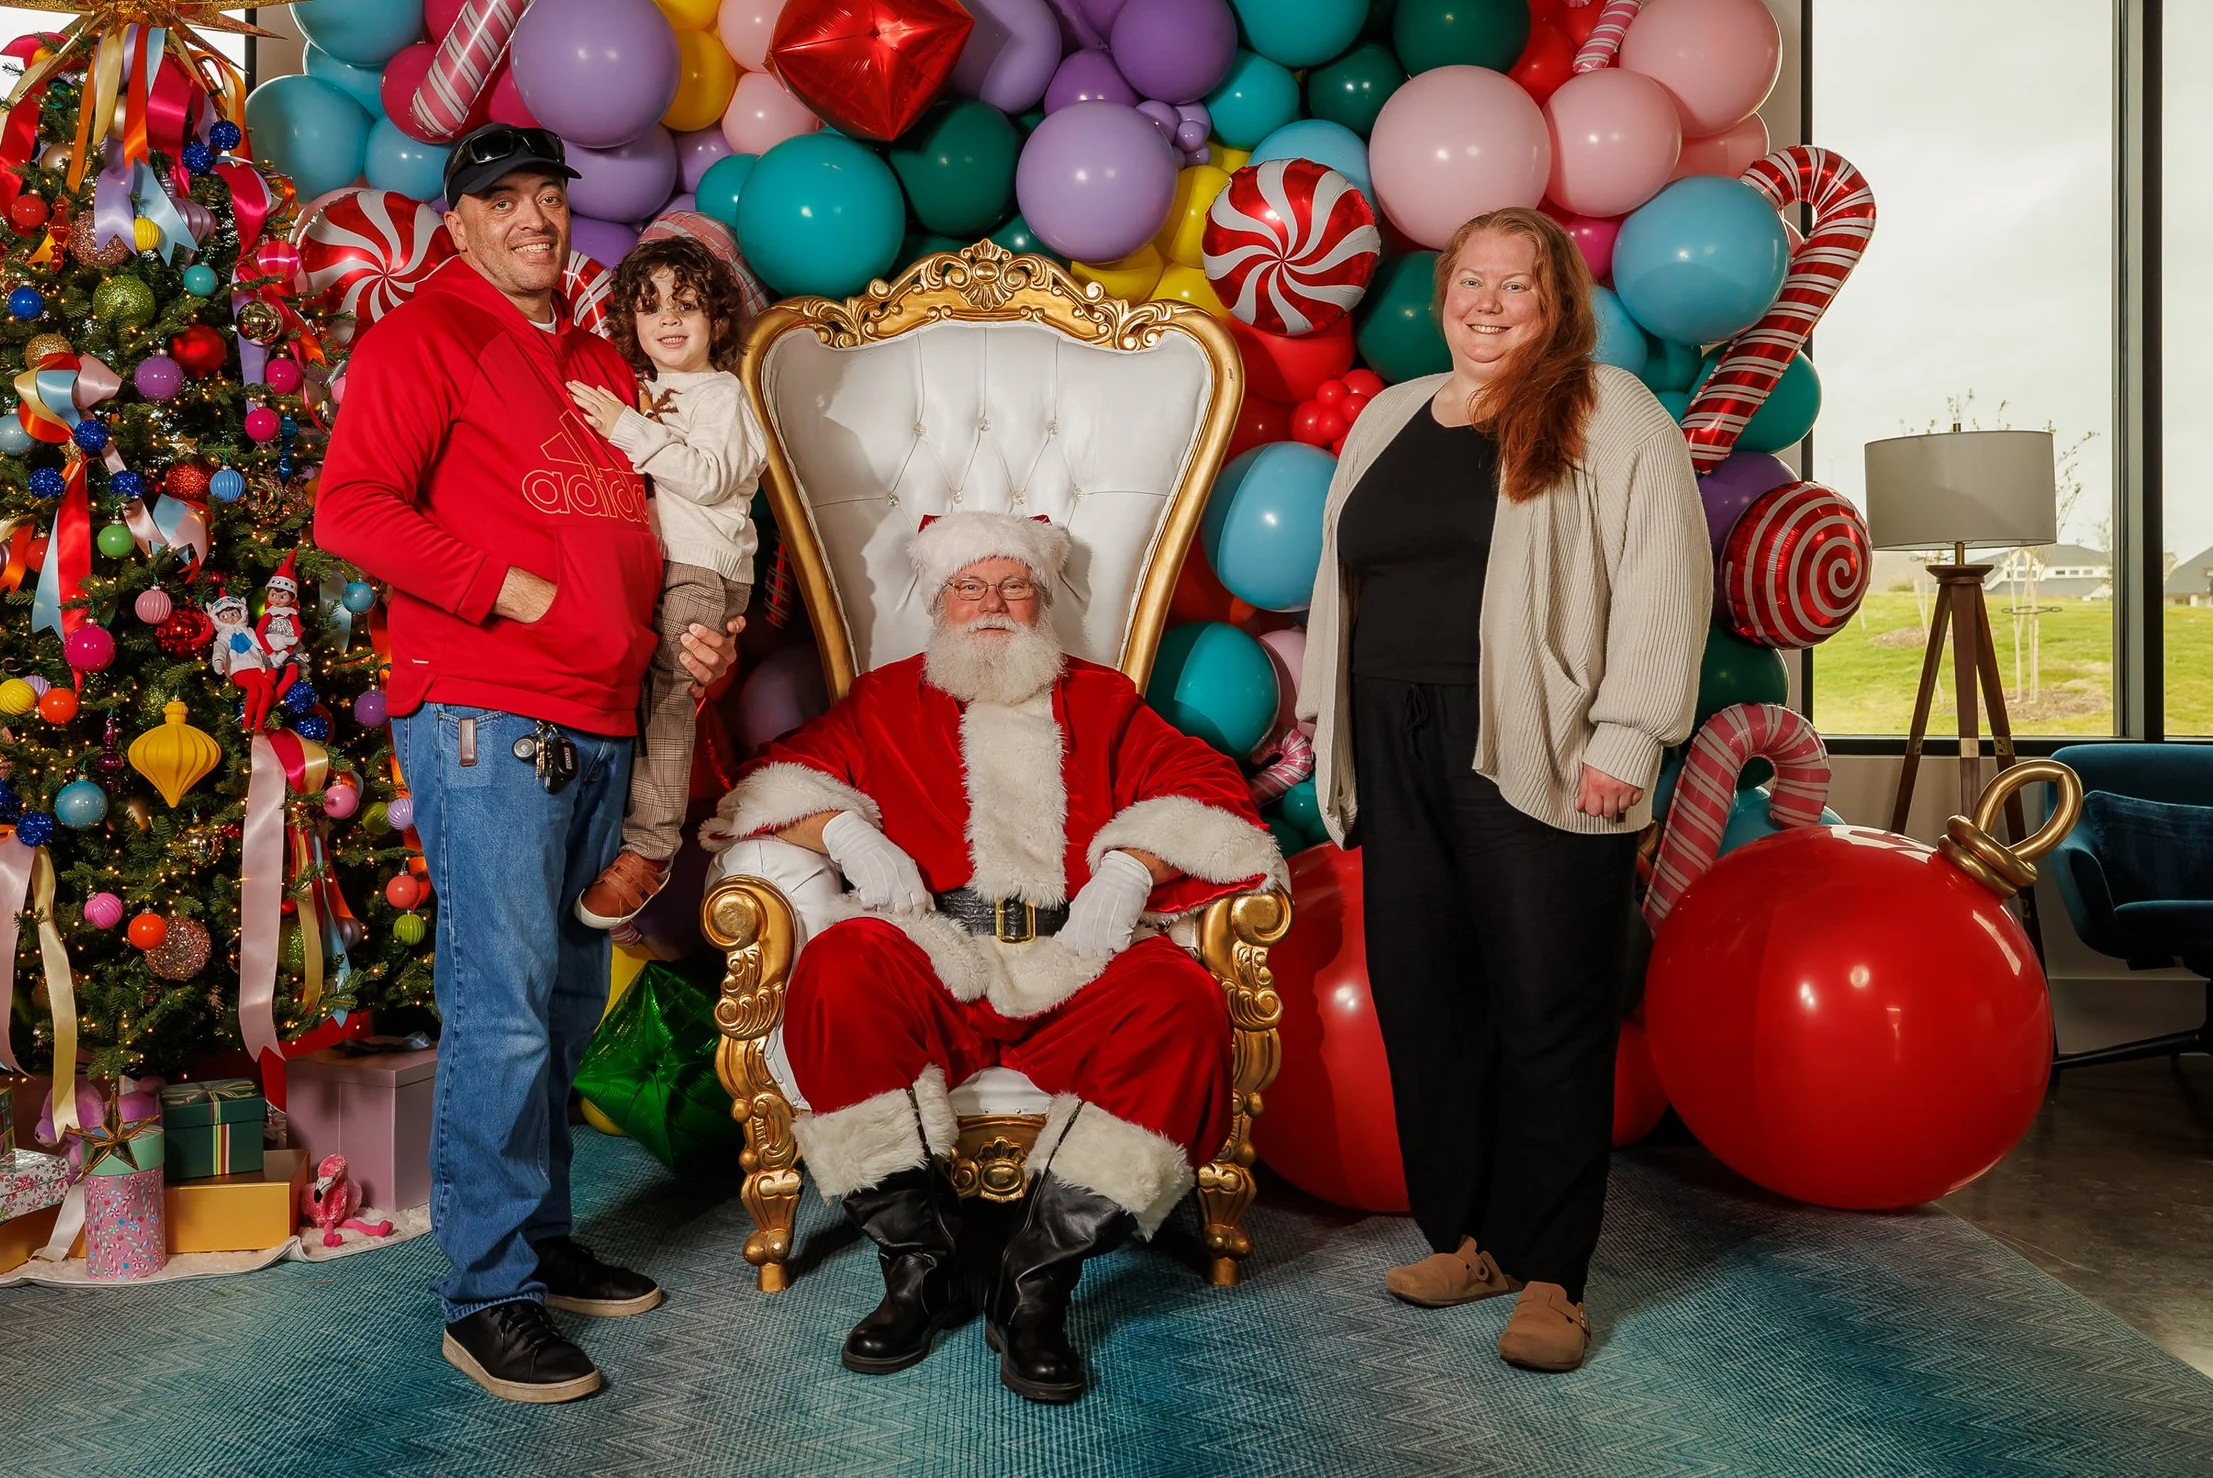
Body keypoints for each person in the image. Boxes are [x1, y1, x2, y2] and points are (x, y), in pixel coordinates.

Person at [314, 122, 740, 1405]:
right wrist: (506, 586)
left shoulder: (588, 357)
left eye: (548, 197)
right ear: (457, 225)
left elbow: (661, 513)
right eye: (500, 201)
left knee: (559, 1005)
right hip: (488, 714)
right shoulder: (423, 337)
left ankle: (540, 1238)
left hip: (604, 716)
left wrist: (693, 631)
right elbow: (351, 506)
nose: (532, 218)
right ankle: (484, 1292)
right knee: (501, 1009)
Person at [700, 511, 1285, 1405]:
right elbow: (766, 785)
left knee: (1182, 998)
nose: (992, 605)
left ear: (1042, 603)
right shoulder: (889, 698)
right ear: (938, 602)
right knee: (841, 964)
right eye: (970, 586)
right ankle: (919, 1268)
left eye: (1014, 586)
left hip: (1073, 958)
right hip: (937, 954)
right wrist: (844, 829)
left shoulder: (1100, 698)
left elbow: (1212, 791)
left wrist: (1130, 867)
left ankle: (1035, 1282)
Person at [1296, 206, 1708, 1374]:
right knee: (1426, 999)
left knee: (1548, 1010)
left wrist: (1628, 733)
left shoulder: (1604, 410)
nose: (1486, 305)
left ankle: (1555, 1274)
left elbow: (1663, 575)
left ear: (1556, 304)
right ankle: (1470, 1236)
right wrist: (1335, 732)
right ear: (1441, 299)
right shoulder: (1385, 416)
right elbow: (1345, 581)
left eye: (1514, 287)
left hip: (1537, 738)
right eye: (1467, 283)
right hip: (1394, 735)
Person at [567, 237, 767, 934]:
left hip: (701, 569)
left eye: (686, 304)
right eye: (651, 307)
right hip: (654, 564)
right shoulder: (644, 389)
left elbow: (710, 477)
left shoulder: (722, 394)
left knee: (668, 693)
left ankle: (651, 849)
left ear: (715, 317)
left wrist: (629, 428)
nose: (669, 320)